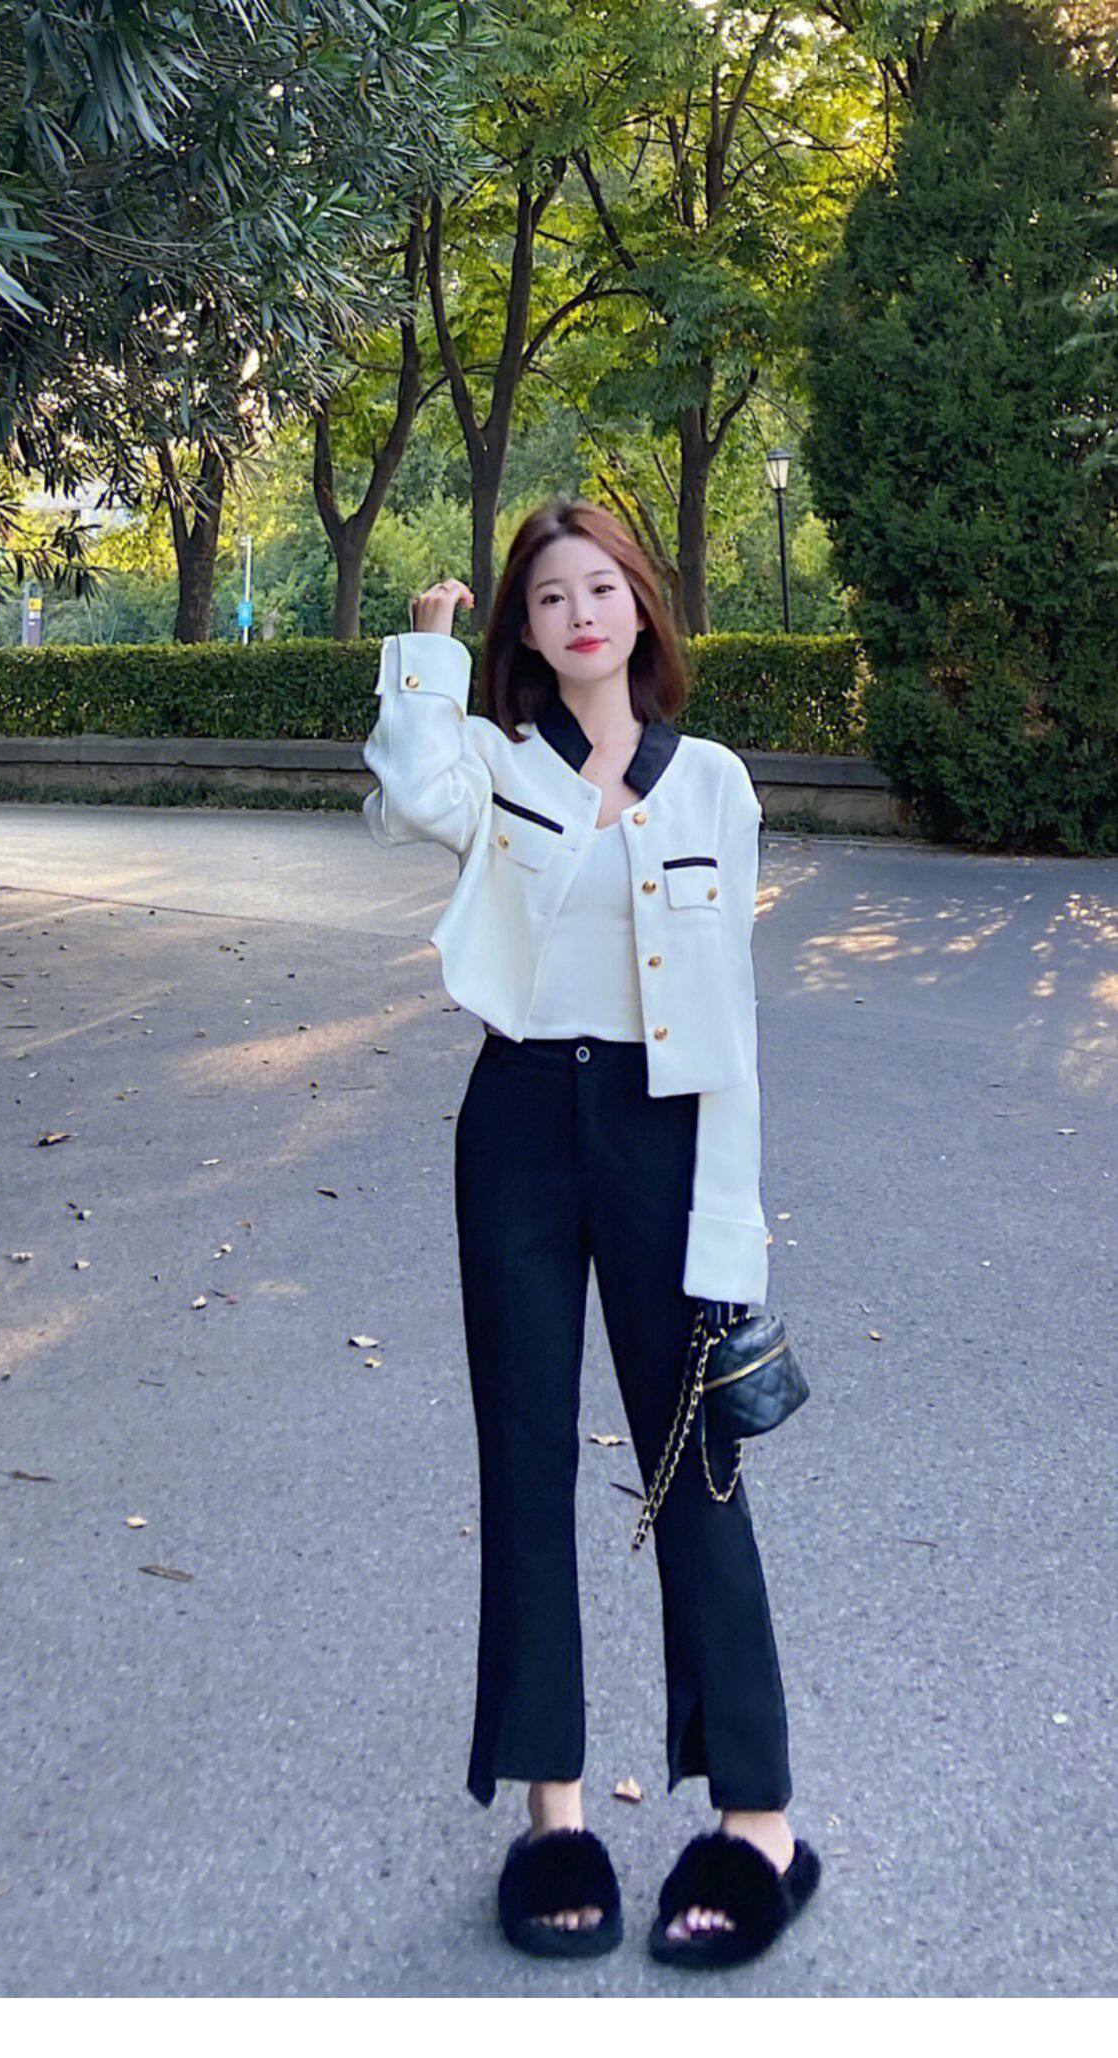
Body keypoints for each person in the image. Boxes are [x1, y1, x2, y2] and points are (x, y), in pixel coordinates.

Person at [360, 496, 820, 1968]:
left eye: (602, 587)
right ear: (528, 627)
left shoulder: (715, 784)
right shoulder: (500, 768)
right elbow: (410, 798)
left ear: (641, 606)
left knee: (699, 1463)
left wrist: (731, 1233)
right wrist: (426, 650)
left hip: (660, 1130)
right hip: (514, 1125)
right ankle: (551, 1814)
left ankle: (760, 1825)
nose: (579, 614)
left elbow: (730, 1028)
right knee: (524, 1462)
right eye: (551, 596)